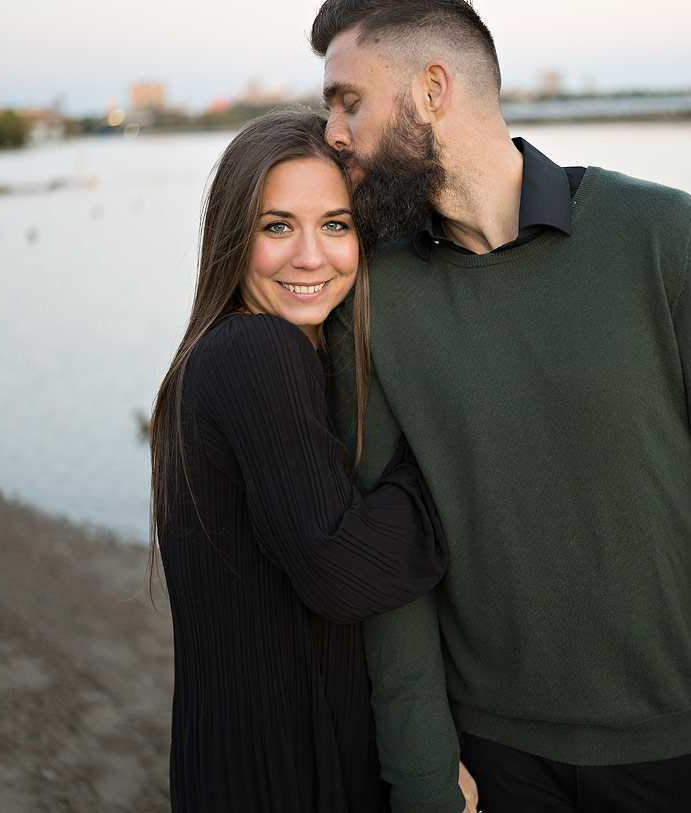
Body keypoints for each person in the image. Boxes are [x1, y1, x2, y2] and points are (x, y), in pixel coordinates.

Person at [313, 2, 691, 812]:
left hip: (668, 745)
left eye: (349, 100)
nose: (333, 133)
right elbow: (390, 556)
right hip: (490, 757)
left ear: (434, 88)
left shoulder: (659, 235)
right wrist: (420, 765)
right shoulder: (377, 292)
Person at [148, 109, 462, 812]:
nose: (311, 257)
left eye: (337, 225)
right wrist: (451, 448)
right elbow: (339, 568)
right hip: (286, 772)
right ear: (235, 236)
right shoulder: (257, 351)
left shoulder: (217, 357)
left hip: (240, 762)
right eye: (278, 226)